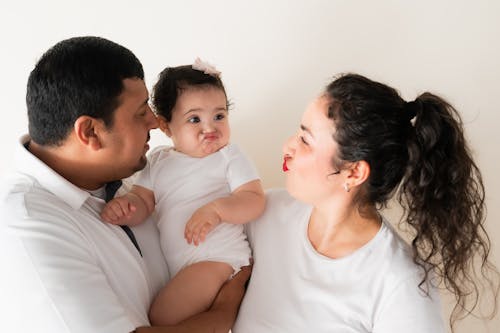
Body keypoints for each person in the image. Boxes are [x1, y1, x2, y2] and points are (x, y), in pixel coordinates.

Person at [0, 36, 250, 333]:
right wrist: (227, 308)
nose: (156, 123)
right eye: (141, 111)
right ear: (90, 132)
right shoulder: (26, 224)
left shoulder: (130, 178)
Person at [233, 73, 499, 332]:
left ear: (354, 172)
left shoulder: (400, 283)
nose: (287, 146)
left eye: (305, 140)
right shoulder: (262, 214)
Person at [101, 60, 265, 326]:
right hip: (187, 266)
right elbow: (143, 201)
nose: (210, 128)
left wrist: (217, 209)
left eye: (219, 116)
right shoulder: (157, 161)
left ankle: (226, 306)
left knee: (162, 316)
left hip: (220, 258)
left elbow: (255, 200)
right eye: (194, 119)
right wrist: (127, 207)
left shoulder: (228, 156)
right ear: (166, 126)